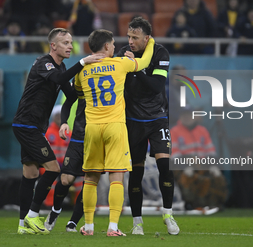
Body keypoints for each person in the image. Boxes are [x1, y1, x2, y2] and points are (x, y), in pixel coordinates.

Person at [12, 27, 103, 235]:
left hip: (32, 126)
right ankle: (33, 216)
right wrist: (82, 63)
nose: (70, 46)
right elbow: (58, 81)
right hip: (27, 125)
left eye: (71, 42)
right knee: (53, 169)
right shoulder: (43, 63)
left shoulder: (61, 70)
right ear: (53, 46)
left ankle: (22, 225)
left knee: (31, 173)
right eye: (65, 43)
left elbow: (70, 95)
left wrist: (68, 116)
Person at [77, 29, 155, 236]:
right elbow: (145, 61)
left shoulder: (82, 69)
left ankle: (90, 226)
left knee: (90, 178)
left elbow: (77, 90)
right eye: (112, 44)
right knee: (116, 178)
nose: (114, 47)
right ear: (105, 47)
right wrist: (151, 41)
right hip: (115, 126)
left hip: (92, 127)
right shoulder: (120, 63)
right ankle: (113, 227)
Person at [116, 17, 180, 235]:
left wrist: (136, 67)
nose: (131, 41)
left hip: (157, 118)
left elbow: (156, 86)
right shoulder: (122, 53)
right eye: (129, 36)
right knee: (136, 173)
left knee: (165, 167)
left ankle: (168, 214)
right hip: (133, 121)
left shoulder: (160, 54)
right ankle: (137, 222)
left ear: (147, 38)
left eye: (135, 37)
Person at [44, 78, 86, 233]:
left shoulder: (112, 76)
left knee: (90, 181)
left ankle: (73, 223)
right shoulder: (83, 76)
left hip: (98, 138)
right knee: (65, 179)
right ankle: (54, 212)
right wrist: (64, 121)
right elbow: (68, 102)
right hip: (77, 136)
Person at [170, 107, 227, 210]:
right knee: (187, 179)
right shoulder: (174, 131)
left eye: (189, 115)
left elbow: (210, 151)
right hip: (183, 164)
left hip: (203, 163)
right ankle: (191, 204)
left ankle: (215, 204)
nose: (187, 117)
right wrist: (186, 166)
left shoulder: (202, 130)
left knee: (218, 179)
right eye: (184, 115)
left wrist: (213, 166)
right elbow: (175, 155)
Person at [42, 105, 71, 208]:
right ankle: (50, 203)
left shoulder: (69, 133)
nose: (59, 118)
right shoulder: (47, 132)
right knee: (51, 179)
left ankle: (77, 203)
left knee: (79, 179)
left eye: (61, 116)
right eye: (57, 115)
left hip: (66, 165)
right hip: (51, 164)